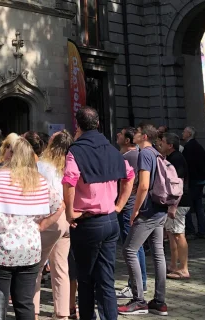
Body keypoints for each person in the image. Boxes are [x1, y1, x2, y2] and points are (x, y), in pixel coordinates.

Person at [0, 137, 65, 320]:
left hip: (2, 250)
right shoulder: (39, 181)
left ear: (12, 155)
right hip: (30, 248)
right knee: (25, 302)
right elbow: (59, 206)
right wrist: (41, 225)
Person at [63, 107, 135, 320]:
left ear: (78, 125)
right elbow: (130, 175)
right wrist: (119, 205)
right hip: (110, 220)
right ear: (98, 124)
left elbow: (69, 181)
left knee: (85, 279)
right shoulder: (113, 150)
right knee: (106, 279)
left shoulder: (76, 151)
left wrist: (69, 213)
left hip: (88, 222)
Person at [118, 123, 168, 316]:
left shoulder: (145, 154)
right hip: (160, 209)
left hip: (148, 210)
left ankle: (139, 300)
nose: (135, 134)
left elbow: (144, 185)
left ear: (144, 136)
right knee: (158, 254)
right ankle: (159, 301)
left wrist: (135, 210)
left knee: (129, 250)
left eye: (137, 132)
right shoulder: (156, 153)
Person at [33, 130, 74, 320]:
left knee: (36, 267)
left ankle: (32, 311)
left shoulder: (41, 166)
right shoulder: (70, 165)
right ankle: (62, 314)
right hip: (66, 218)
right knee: (61, 268)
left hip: (48, 218)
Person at [114, 127, 147, 299]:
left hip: (128, 207)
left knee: (132, 247)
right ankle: (140, 283)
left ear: (127, 140)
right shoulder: (133, 156)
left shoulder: (130, 157)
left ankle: (136, 285)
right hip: (129, 206)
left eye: (120, 134)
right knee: (135, 246)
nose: (117, 135)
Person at [158, 133, 191, 280]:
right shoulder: (171, 158)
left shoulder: (176, 159)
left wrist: (174, 205)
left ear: (170, 145)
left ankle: (183, 268)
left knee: (178, 234)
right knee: (172, 234)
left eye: (163, 142)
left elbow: (178, 183)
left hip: (179, 203)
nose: (160, 144)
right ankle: (173, 265)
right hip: (174, 202)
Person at [181, 126, 205, 239]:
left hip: (193, 181)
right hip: (200, 180)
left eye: (184, 132)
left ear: (189, 134)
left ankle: (191, 230)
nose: (182, 134)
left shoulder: (189, 147)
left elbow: (187, 166)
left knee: (187, 206)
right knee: (198, 206)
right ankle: (202, 230)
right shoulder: (198, 146)